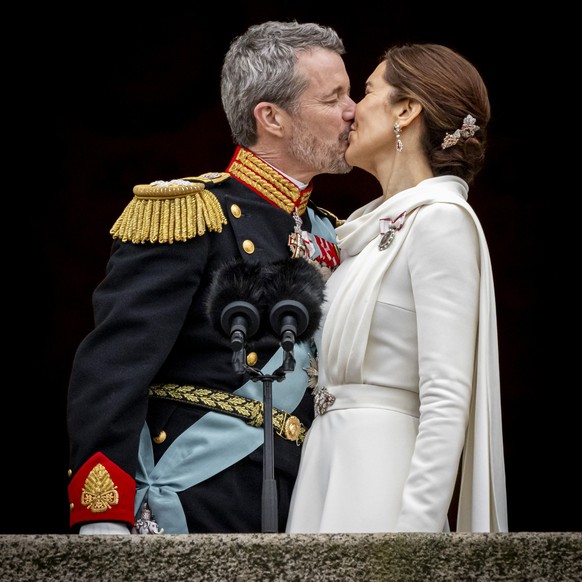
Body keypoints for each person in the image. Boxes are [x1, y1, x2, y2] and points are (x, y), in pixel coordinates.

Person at [67, 20, 355, 535]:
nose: (352, 112)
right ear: (272, 117)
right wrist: (103, 513)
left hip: (304, 505)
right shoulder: (190, 213)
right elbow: (113, 367)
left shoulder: (331, 233)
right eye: (333, 99)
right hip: (195, 498)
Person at [286, 43, 508, 533]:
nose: (351, 110)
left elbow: (447, 393)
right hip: (323, 465)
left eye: (365, 93)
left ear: (406, 111)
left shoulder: (440, 223)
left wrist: (417, 531)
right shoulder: (365, 232)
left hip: (380, 474)